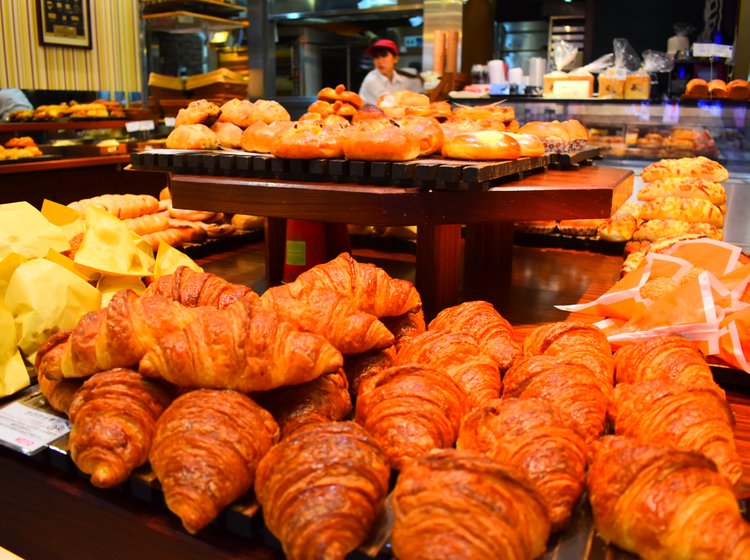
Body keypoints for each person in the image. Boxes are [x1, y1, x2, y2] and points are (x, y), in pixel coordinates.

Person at [358, 38, 423, 105]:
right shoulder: (371, 80)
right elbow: (390, 104)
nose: (380, 61)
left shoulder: (401, 79)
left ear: (395, 58)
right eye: (376, 56)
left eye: (384, 55)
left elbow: (418, 87)